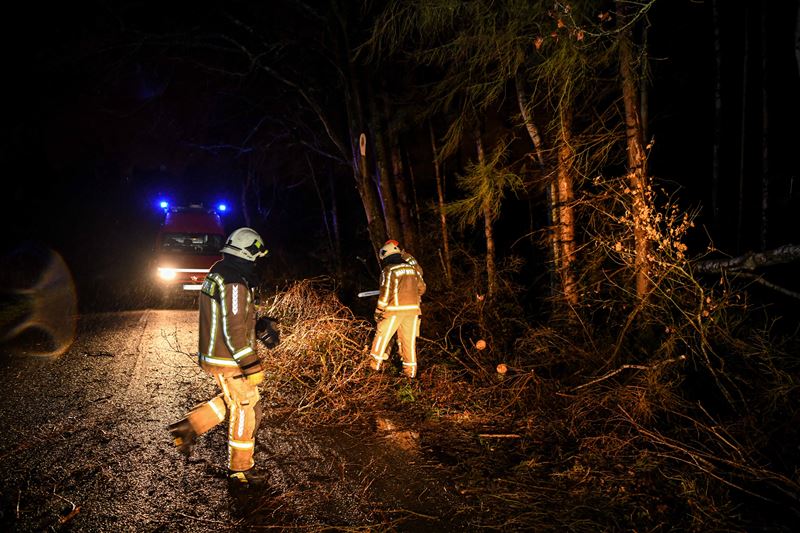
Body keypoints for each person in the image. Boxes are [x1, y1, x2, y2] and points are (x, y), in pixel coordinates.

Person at [168, 227, 277, 487]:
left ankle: (189, 427)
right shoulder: (235, 281)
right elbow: (234, 329)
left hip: (217, 355)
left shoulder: (220, 271)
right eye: (257, 257)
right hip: (231, 359)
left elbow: (231, 316)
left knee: (235, 401)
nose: (258, 263)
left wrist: (258, 325)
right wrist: (251, 363)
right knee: (247, 408)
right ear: (249, 254)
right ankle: (241, 469)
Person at [368, 240, 426, 378]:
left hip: (394, 309)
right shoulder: (412, 269)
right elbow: (422, 287)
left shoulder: (389, 270)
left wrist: (378, 311)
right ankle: (410, 374)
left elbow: (385, 294)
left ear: (386, 257)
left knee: (381, 336)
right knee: (408, 341)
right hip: (413, 311)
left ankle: (373, 368)